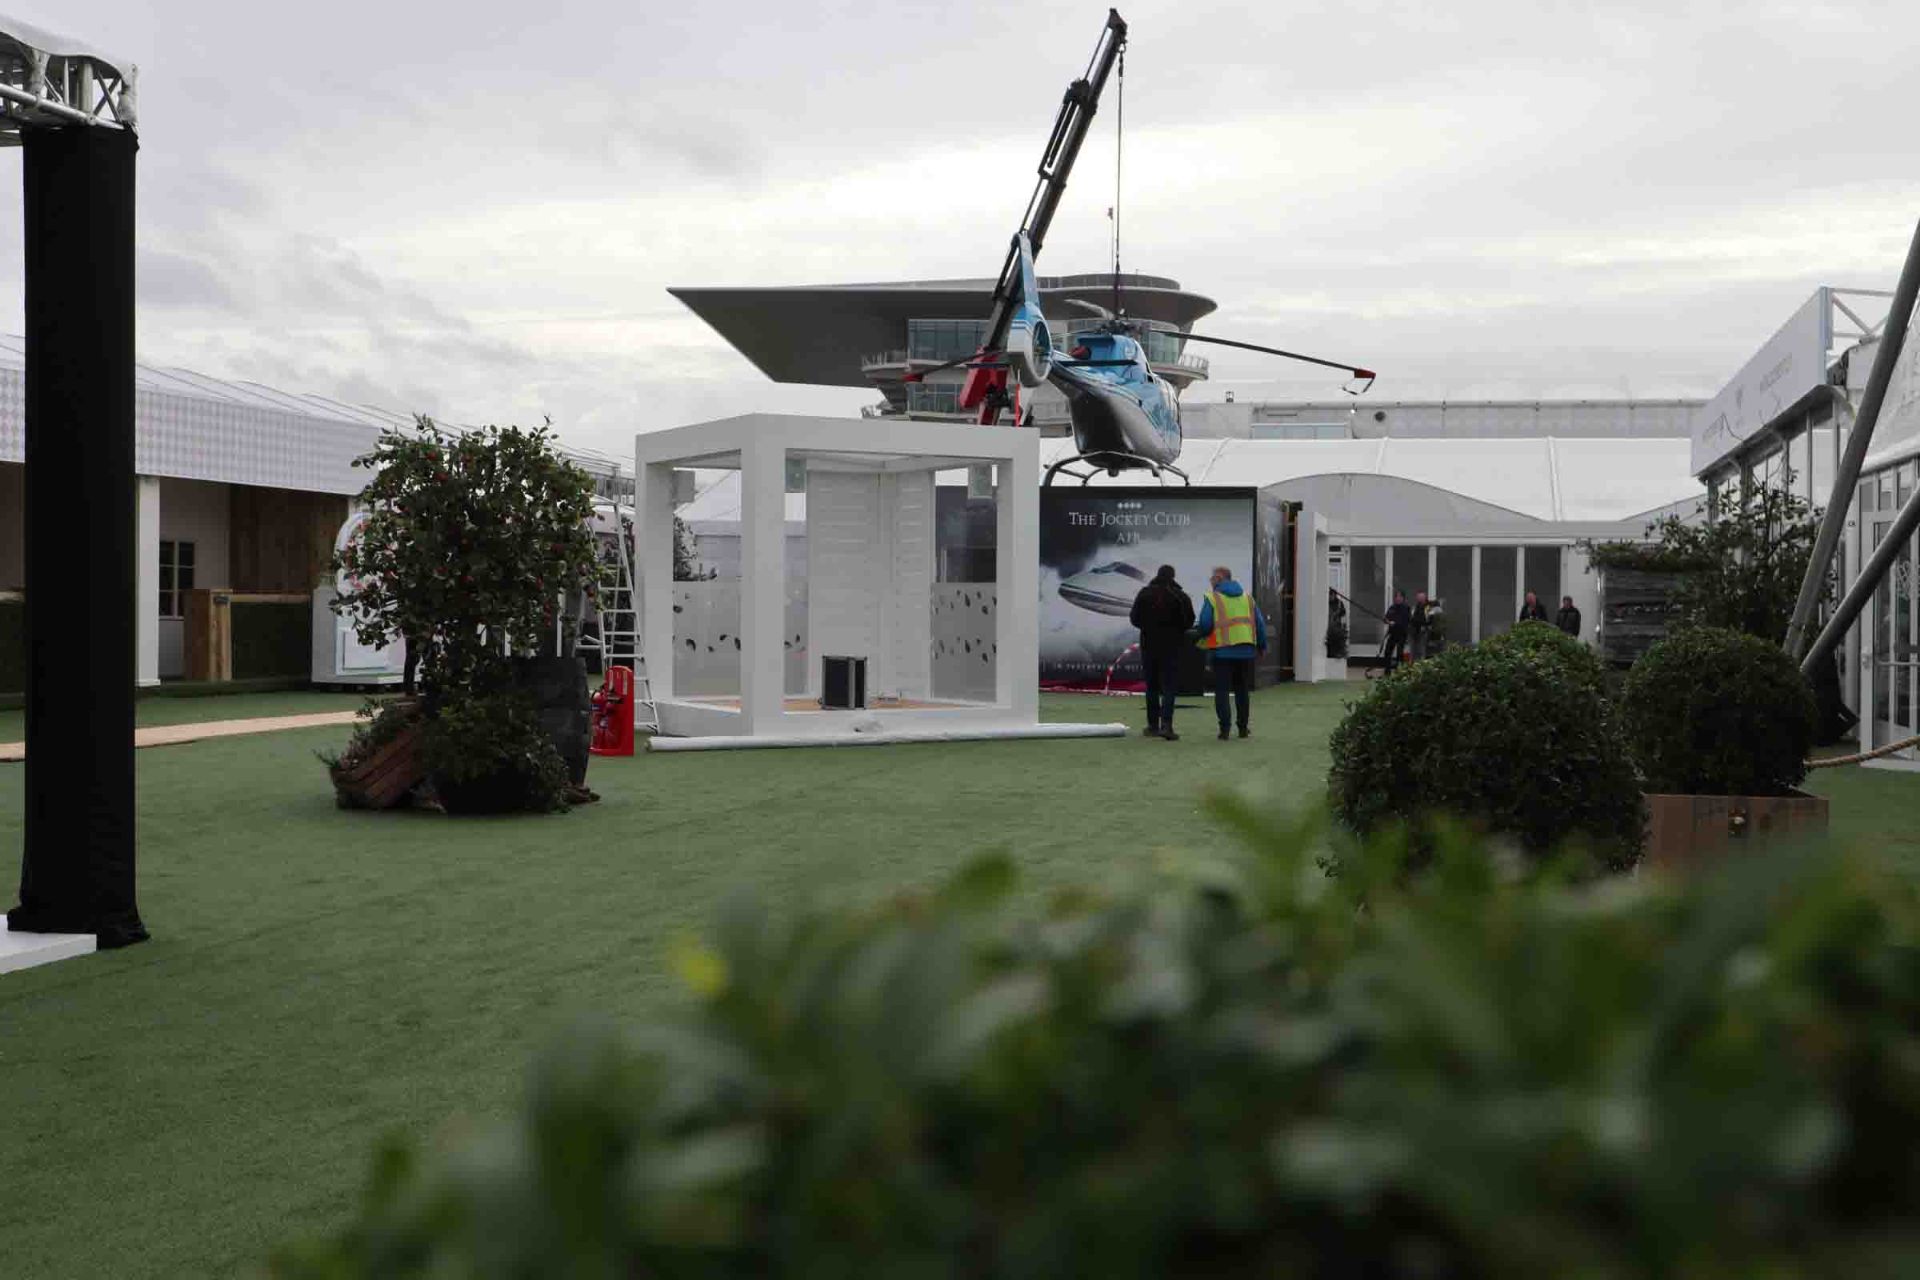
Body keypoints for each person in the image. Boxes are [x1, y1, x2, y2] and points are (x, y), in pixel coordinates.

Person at [1190, 565, 1268, 740]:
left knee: (1222, 691)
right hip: (1246, 651)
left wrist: (1198, 637)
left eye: (1212, 578)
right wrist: (1262, 646)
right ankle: (1242, 728)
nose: (1210, 581)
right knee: (1242, 691)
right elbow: (1260, 624)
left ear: (1219, 578)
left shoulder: (1212, 598)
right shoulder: (1248, 599)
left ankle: (1224, 729)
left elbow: (1205, 624)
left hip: (1222, 652)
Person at [1128, 564, 1195, 740]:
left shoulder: (1144, 593)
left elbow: (1134, 618)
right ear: (1173, 577)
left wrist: (1148, 627)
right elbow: (1189, 621)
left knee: (1151, 687)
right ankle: (1167, 725)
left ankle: (1152, 726)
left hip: (1149, 645)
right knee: (1169, 687)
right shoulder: (1180, 596)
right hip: (1172, 647)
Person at [1382, 589, 1411, 673]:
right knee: (1387, 652)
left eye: (1400, 596)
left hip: (1402, 633)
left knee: (1399, 653)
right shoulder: (1392, 607)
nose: (1398, 598)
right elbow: (1387, 617)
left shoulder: (1406, 608)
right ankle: (1387, 671)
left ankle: (1400, 671)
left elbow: (1405, 621)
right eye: (1396, 596)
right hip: (1392, 633)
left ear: (1403, 598)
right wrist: (1386, 620)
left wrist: (1395, 623)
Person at [1409, 590, 1432, 661]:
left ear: (1425, 598)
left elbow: (1429, 620)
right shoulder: (1415, 607)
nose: (1420, 599)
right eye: (1418, 597)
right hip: (1413, 631)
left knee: (1422, 649)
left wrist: (1424, 625)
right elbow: (1411, 618)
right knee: (1412, 650)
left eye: (1422, 597)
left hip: (1423, 631)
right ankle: (1411, 665)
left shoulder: (1428, 608)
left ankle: (1421, 666)